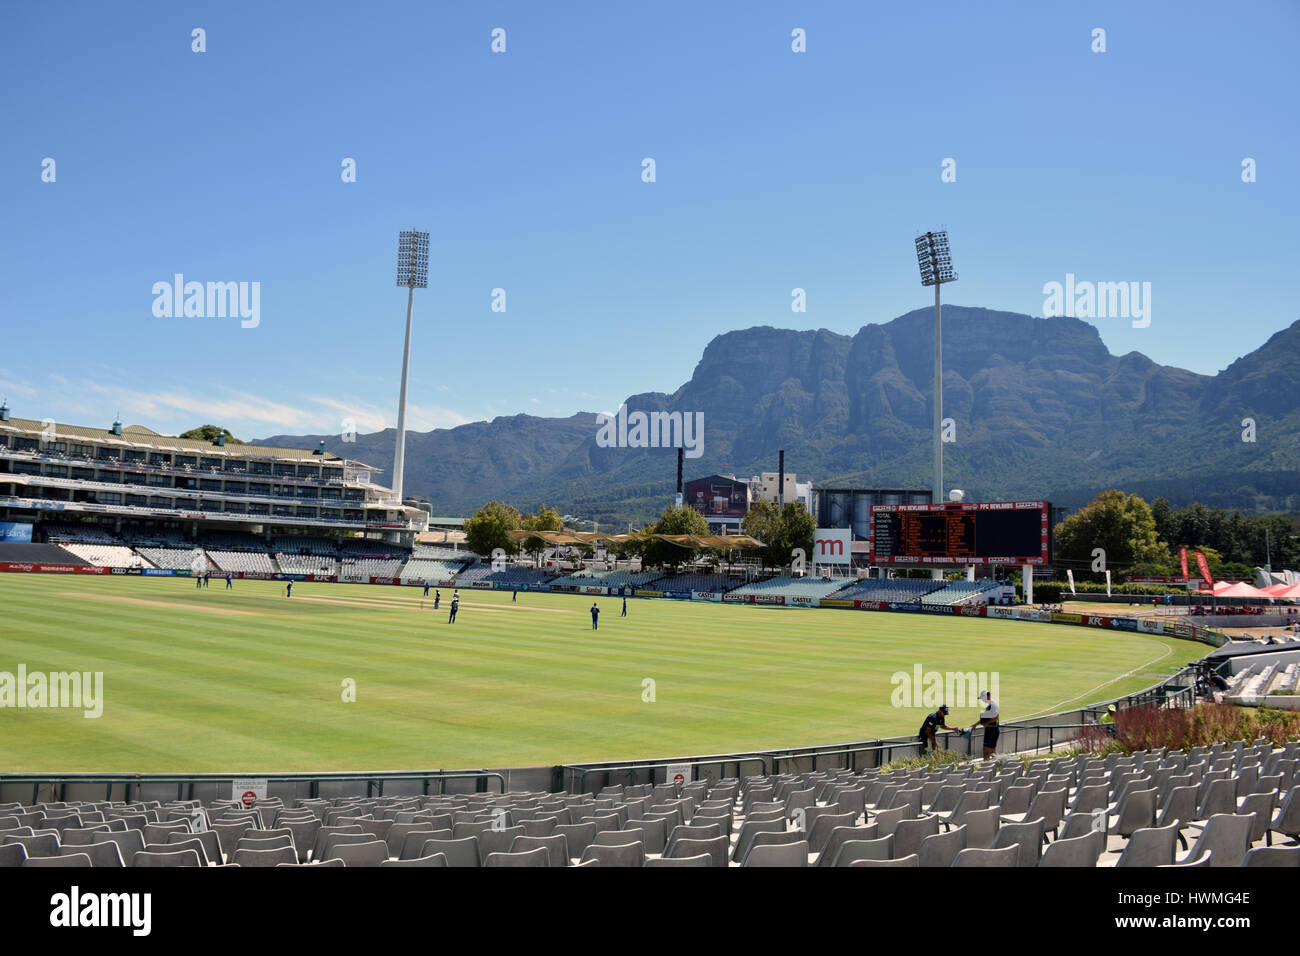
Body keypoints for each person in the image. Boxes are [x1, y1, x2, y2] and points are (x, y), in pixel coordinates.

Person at [969, 690, 1000, 759]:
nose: (982, 700)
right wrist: (976, 724)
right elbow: (985, 718)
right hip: (991, 729)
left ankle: (986, 765)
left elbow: (996, 717)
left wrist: (986, 723)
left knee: (987, 750)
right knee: (992, 750)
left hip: (992, 730)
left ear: (987, 697)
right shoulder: (990, 705)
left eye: (982, 698)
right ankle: (998, 763)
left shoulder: (992, 705)